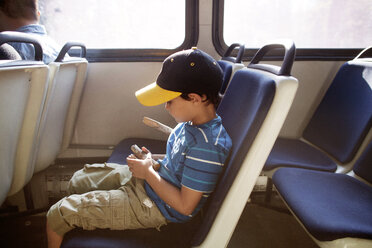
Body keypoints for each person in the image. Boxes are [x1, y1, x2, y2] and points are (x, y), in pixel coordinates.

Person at [46, 47, 232, 248]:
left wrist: (148, 173)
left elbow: (185, 207)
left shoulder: (206, 146)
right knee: (78, 181)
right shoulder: (189, 124)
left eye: (169, 101)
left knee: (58, 214)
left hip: (156, 207)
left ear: (196, 98)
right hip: (150, 185)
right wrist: (151, 162)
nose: (166, 107)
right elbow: (179, 163)